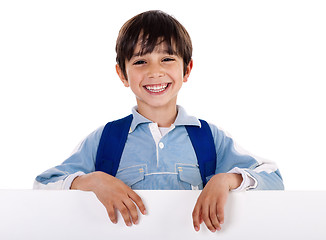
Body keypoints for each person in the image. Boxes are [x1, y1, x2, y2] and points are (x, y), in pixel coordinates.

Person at [34, 10, 284, 232]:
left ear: (187, 69)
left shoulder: (208, 137)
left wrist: (226, 179)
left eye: (167, 59)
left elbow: (274, 180)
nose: (155, 71)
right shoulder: (106, 139)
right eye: (140, 61)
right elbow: (42, 185)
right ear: (122, 73)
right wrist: (92, 180)